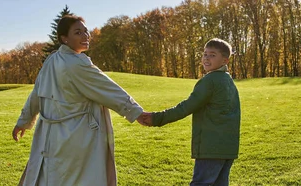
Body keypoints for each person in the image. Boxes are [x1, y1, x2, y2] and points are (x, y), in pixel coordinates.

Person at [12, 15, 143, 186]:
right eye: (78, 32)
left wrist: (23, 121)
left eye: (86, 31)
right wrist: (136, 112)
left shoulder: (51, 60)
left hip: (50, 138)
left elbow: (35, 95)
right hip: (76, 138)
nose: (85, 35)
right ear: (64, 38)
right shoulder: (76, 63)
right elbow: (108, 89)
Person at [138, 38, 241, 186]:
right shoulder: (227, 80)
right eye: (205, 54)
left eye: (212, 55)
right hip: (228, 147)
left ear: (225, 60)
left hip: (211, 147)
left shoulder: (210, 81)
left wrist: (157, 118)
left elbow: (186, 107)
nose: (206, 58)